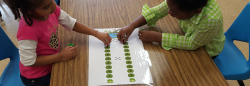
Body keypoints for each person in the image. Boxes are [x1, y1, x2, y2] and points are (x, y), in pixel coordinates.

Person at [9, 0, 111, 86]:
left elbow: (72, 24)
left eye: (52, 0)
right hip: (36, 77)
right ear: (29, 11)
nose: (54, 6)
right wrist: (60, 57)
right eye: (46, 7)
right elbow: (29, 61)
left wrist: (96, 33)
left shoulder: (51, 9)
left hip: (53, 60)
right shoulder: (27, 30)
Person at [118, 0, 225, 58]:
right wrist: (132, 25)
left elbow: (191, 43)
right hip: (188, 33)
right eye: (169, 8)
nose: (169, 12)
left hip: (206, 51)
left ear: (196, 11)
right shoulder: (178, 2)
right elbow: (157, 12)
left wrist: (158, 37)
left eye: (175, 12)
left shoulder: (211, 20)